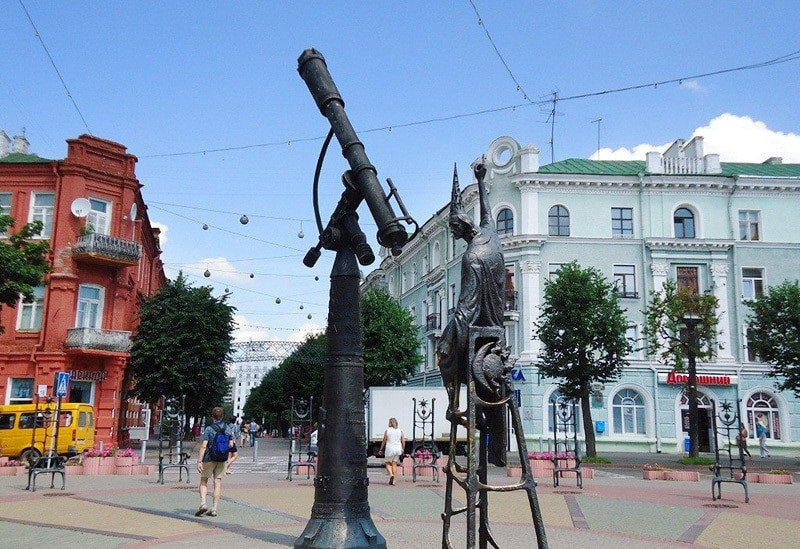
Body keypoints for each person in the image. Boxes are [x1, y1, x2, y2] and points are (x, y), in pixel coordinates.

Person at [436, 163, 507, 467]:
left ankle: (454, 407)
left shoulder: (472, 257)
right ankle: (489, 434)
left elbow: (466, 307)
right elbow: (488, 213)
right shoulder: (491, 236)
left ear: (463, 226)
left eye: (454, 232)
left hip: (479, 329)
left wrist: (447, 337)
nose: (455, 237)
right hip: (497, 331)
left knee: (445, 357)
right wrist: (481, 180)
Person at [195, 406, 233, 517]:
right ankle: (214, 509)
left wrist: (199, 461)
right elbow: (231, 444)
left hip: (209, 458)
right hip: (222, 459)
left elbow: (204, 446)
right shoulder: (227, 428)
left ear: (212, 416)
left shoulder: (209, 429)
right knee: (217, 482)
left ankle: (203, 503)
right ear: (222, 416)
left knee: (204, 480)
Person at [379, 417, 406, 485]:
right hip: (398, 448)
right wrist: (403, 448)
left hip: (390, 448)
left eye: (389, 422)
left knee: (387, 463)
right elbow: (403, 440)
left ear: (391, 423)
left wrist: (381, 449)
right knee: (394, 463)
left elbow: (384, 440)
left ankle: (391, 475)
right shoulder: (400, 431)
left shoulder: (387, 431)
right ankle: (394, 481)